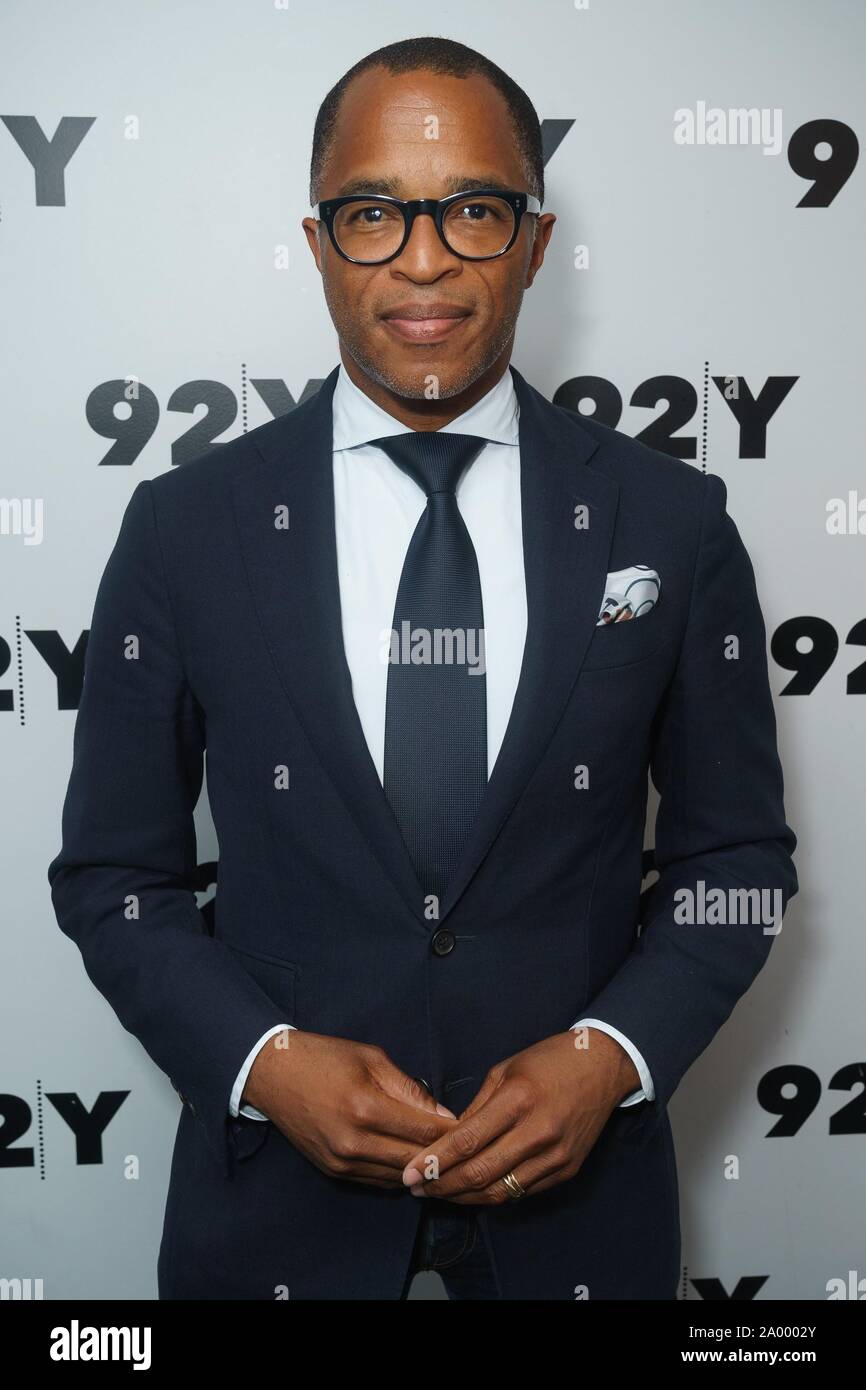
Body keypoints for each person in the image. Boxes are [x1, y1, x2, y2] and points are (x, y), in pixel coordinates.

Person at [48, 36, 798, 1301]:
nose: (425, 254)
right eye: (373, 213)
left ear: (533, 240)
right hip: (269, 1215)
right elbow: (118, 876)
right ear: (318, 237)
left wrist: (612, 1053)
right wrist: (262, 1059)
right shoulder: (186, 529)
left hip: (581, 1219)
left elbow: (735, 860)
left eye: (473, 209)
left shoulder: (668, 523)